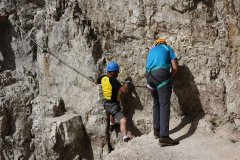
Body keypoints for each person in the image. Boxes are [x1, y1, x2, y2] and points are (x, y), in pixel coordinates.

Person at [146, 38, 179, 146]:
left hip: (149, 76)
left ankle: (157, 130)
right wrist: (169, 77)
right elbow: (175, 68)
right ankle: (164, 137)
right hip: (161, 74)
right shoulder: (167, 48)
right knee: (164, 104)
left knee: (156, 102)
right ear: (164, 43)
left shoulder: (152, 50)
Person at [97, 61, 131, 142]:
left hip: (106, 103)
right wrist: (126, 83)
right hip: (113, 105)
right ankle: (125, 138)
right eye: (117, 72)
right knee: (123, 120)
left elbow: (96, 82)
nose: (118, 73)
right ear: (113, 72)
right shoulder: (113, 81)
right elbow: (124, 91)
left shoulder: (102, 78)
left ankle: (111, 125)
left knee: (111, 113)